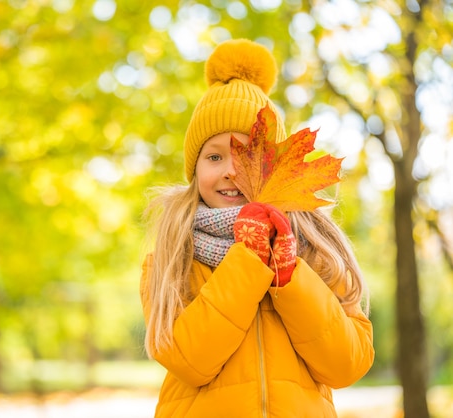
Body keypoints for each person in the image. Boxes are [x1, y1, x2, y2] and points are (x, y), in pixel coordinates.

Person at [140, 38, 375, 417]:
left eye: (246, 154)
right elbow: (188, 360)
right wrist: (248, 261)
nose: (231, 169)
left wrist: (288, 276)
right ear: (195, 170)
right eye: (214, 156)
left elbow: (347, 365)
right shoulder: (170, 260)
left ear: (275, 167)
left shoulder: (311, 252)